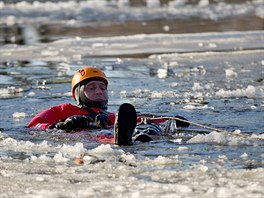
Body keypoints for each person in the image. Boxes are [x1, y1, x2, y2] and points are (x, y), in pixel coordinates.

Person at [27, 66, 189, 145]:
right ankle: (125, 139)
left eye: (102, 88)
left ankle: (138, 138)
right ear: (77, 94)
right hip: (83, 140)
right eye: (91, 88)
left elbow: (139, 119)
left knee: (145, 127)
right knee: (98, 135)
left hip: (106, 133)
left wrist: (169, 120)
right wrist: (60, 126)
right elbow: (33, 126)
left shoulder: (110, 117)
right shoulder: (63, 110)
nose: (99, 92)